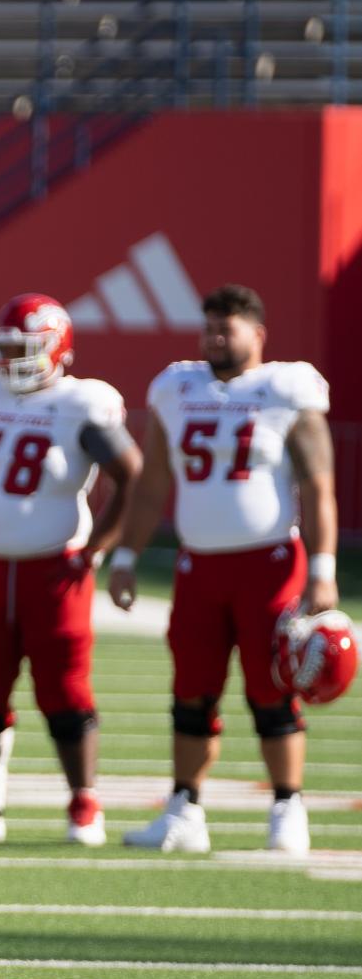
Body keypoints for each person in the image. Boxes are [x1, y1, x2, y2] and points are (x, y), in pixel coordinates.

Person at [108, 284, 338, 856]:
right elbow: (153, 481)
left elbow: (318, 483)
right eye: (208, 327)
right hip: (198, 567)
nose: (214, 337)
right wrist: (127, 554)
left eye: (226, 328)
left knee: (272, 689)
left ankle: (288, 806)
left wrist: (325, 566)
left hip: (270, 563)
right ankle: (184, 808)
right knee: (191, 690)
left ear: (257, 335)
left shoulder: (286, 388)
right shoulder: (177, 387)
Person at [0, 295, 140, 846]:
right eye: (7, 348)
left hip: (55, 573)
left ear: (57, 348)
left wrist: (100, 548)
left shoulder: (80, 402)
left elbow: (131, 475)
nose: (12, 360)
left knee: (65, 691)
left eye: (25, 348)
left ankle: (85, 806)